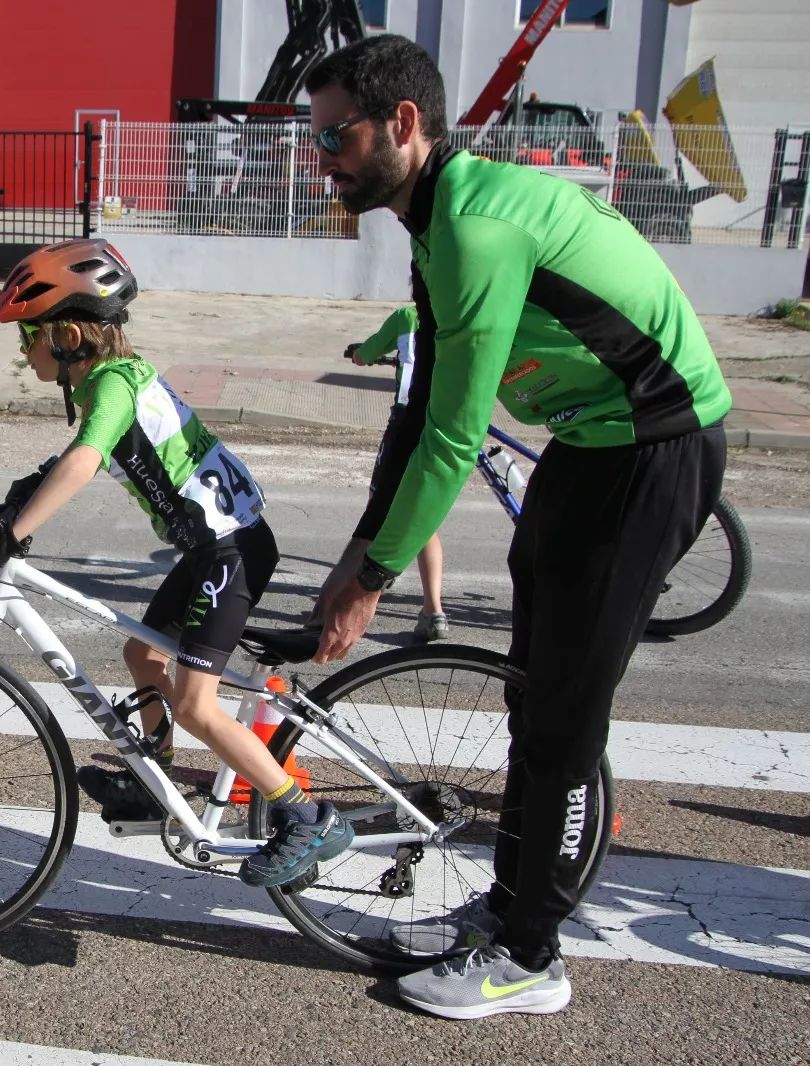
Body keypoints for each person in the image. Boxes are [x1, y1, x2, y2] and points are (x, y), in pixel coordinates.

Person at [304, 36, 730, 1019]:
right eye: (315, 134)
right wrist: (360, 552)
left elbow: (453, 439)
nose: (321, 153)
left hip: (651, 448)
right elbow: (415, 413)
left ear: (402, 125)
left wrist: (370, 577)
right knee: (531, 701)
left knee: (564, 723)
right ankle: (505, 911)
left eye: (337, 132)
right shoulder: (437, 210)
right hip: (593, 444)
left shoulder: (473, 226)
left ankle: (531, 956)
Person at [0, 238, 353, 888]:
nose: (22, 351)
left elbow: (85, 461)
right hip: (219, 547)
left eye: (26, 337)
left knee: (199, 703)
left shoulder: (112, 385)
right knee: (141, 656)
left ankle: (305, 816)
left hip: (228, 552)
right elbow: (72, 458)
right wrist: (9, 508)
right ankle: (157, 776)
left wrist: (15, 536)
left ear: (66, 335)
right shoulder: (119, 378)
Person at [344, 305, 448, 642]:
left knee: (381, 503)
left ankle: (347, 599)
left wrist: (359, 353)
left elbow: (365, 355)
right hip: (444, 419)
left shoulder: (407, 317)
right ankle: (434, 611)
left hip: (407, 418)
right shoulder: (457, 314)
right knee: (423, 511)